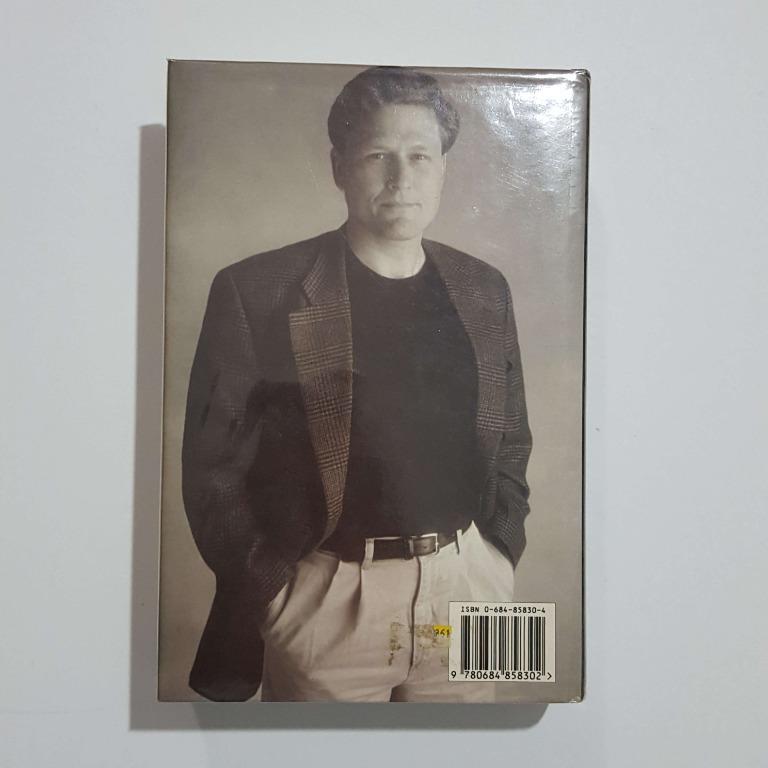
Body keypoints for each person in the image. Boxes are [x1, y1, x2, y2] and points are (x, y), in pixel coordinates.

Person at [181, 66, 532, 702]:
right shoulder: (255, 290)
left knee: (476, 750)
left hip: (470, 587)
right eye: (378, 155)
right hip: (329, 604)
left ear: (443, 169)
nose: (402, 178)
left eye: (420, 156)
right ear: (339, 166)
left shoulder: (485, 288)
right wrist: (275, 596)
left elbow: (511, 437)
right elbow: (212, 473)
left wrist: (499, 555)